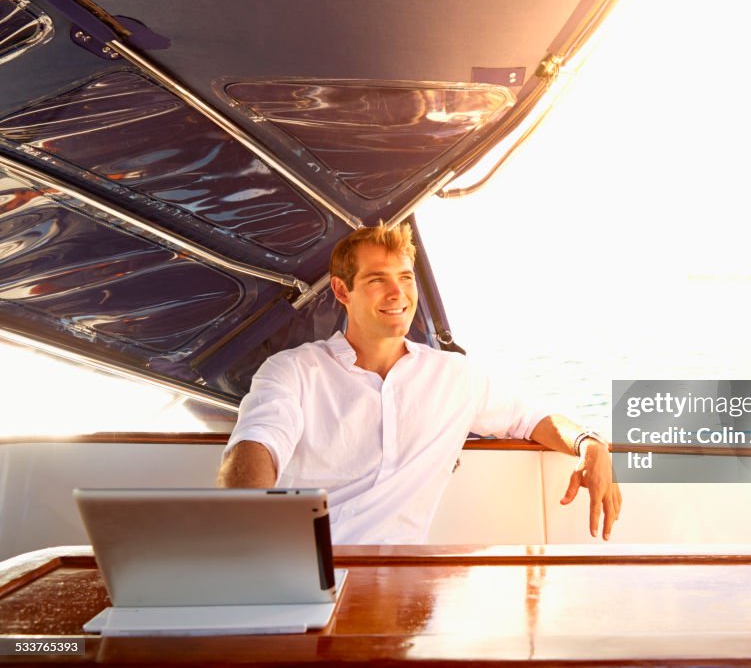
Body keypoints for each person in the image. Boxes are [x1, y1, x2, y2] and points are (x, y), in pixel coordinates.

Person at [218, 222, 621, 543]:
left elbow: (529, 419)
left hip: (400, 581)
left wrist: (589, 444)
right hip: (306, 567)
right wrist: (252, 531)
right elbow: (258, 442)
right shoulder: (292, 371)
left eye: (406, 277)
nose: (398, 293)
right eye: (377, 279)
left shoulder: (454, 376)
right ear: (343, 290)